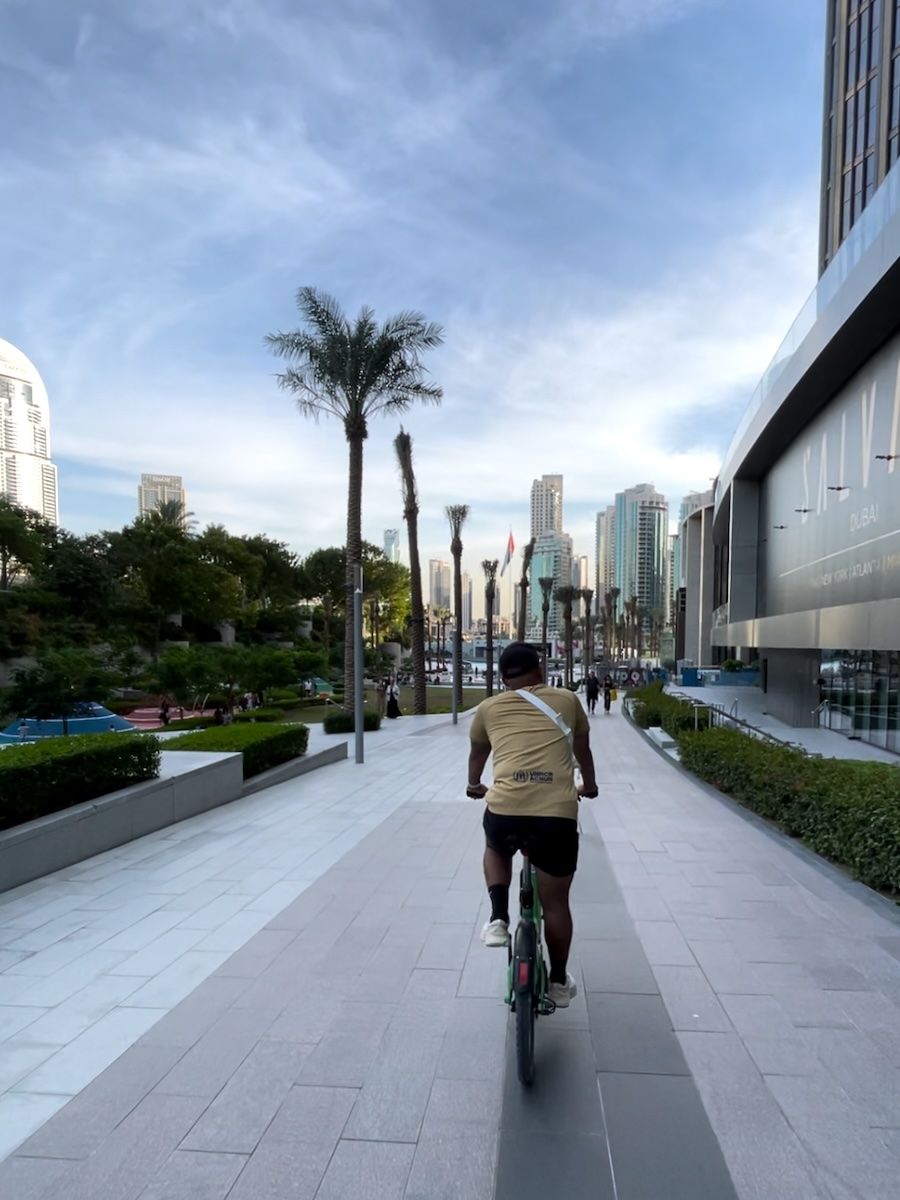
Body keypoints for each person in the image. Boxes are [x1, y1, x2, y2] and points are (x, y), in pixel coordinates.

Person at [466, 642, 598, 1009]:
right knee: (555, 905)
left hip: (506, 809)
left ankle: (498, 918)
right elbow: (583, 751)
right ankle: (558, 982)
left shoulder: (489, 708)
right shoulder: (567, 700)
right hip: (555, 816)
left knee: (495, 847)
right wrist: (589, 785)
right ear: (539, 669)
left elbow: (478, 754)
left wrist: (474, 785)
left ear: (503, 678)